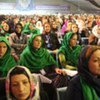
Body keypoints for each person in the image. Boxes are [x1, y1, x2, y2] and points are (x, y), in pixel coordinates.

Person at [19, 33, 67, 100]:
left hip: (47, 74)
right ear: (31, 41)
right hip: (35, 77)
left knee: (63, 76)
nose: (39, 43)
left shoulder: (44, 51)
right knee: (48, 86)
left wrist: (56, 69)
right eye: (36, 40)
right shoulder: (25, 54)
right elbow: (23, 71)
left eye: (40, 41)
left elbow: (51, 62)